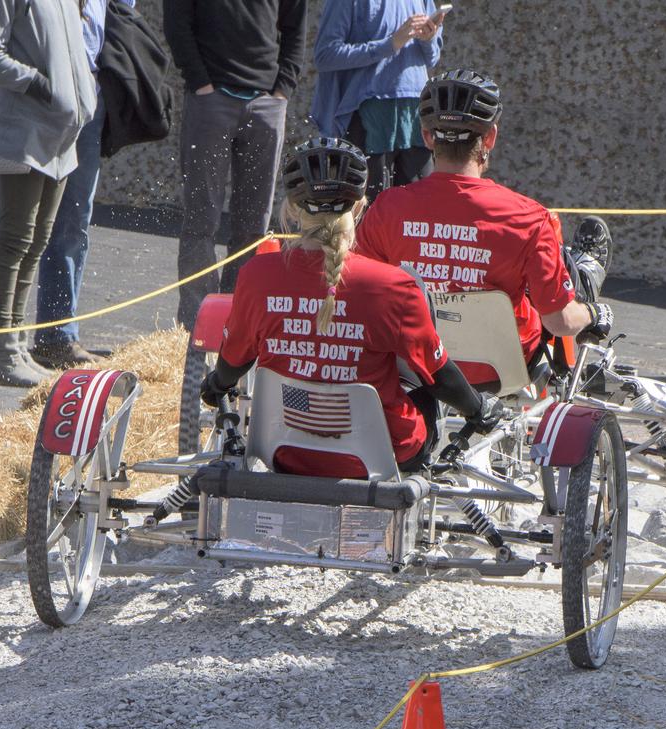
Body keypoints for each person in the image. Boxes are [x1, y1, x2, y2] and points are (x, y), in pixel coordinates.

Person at [200, 137, 500, 476]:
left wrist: (216, 385)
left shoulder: (256, 276)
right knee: (421, 389)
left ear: (293, 208)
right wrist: (478, 409)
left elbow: (234, 361)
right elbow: (440, 376)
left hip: (285, 451)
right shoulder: (395, 286)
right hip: (381, 455)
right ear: (359, 207)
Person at [354, 69, 614, 385]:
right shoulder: (528, 217)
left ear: (426, 137)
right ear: (490, 137)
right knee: (551, 275)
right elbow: (560, 322)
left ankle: (577, 271)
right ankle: (584, 278)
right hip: (502, 369)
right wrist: (595, 314)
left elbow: (360, 294)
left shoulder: (386, 208)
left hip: (412, 365)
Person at [0, 0, 96, 387]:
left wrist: (77, 96)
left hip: (61, 136)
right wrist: (40, 85)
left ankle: (16, 343)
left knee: (38, 239)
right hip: (23, 129)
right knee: (15, 237)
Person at [164, 0, 307, 330]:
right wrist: (200, 82)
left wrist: (283, 87)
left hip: (267, 103)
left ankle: (238, 318)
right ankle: (197, 323)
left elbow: (295, 27)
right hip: (211, 99)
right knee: (202, 218)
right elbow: (176, 23)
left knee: (254, 224)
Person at [312, 0, 445, 199]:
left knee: (419, 211)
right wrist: (390, 44)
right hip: (368, 114)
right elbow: (325, 55)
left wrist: (428, 38)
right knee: (369, 210)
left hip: (415, 115)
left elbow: (432, 58)